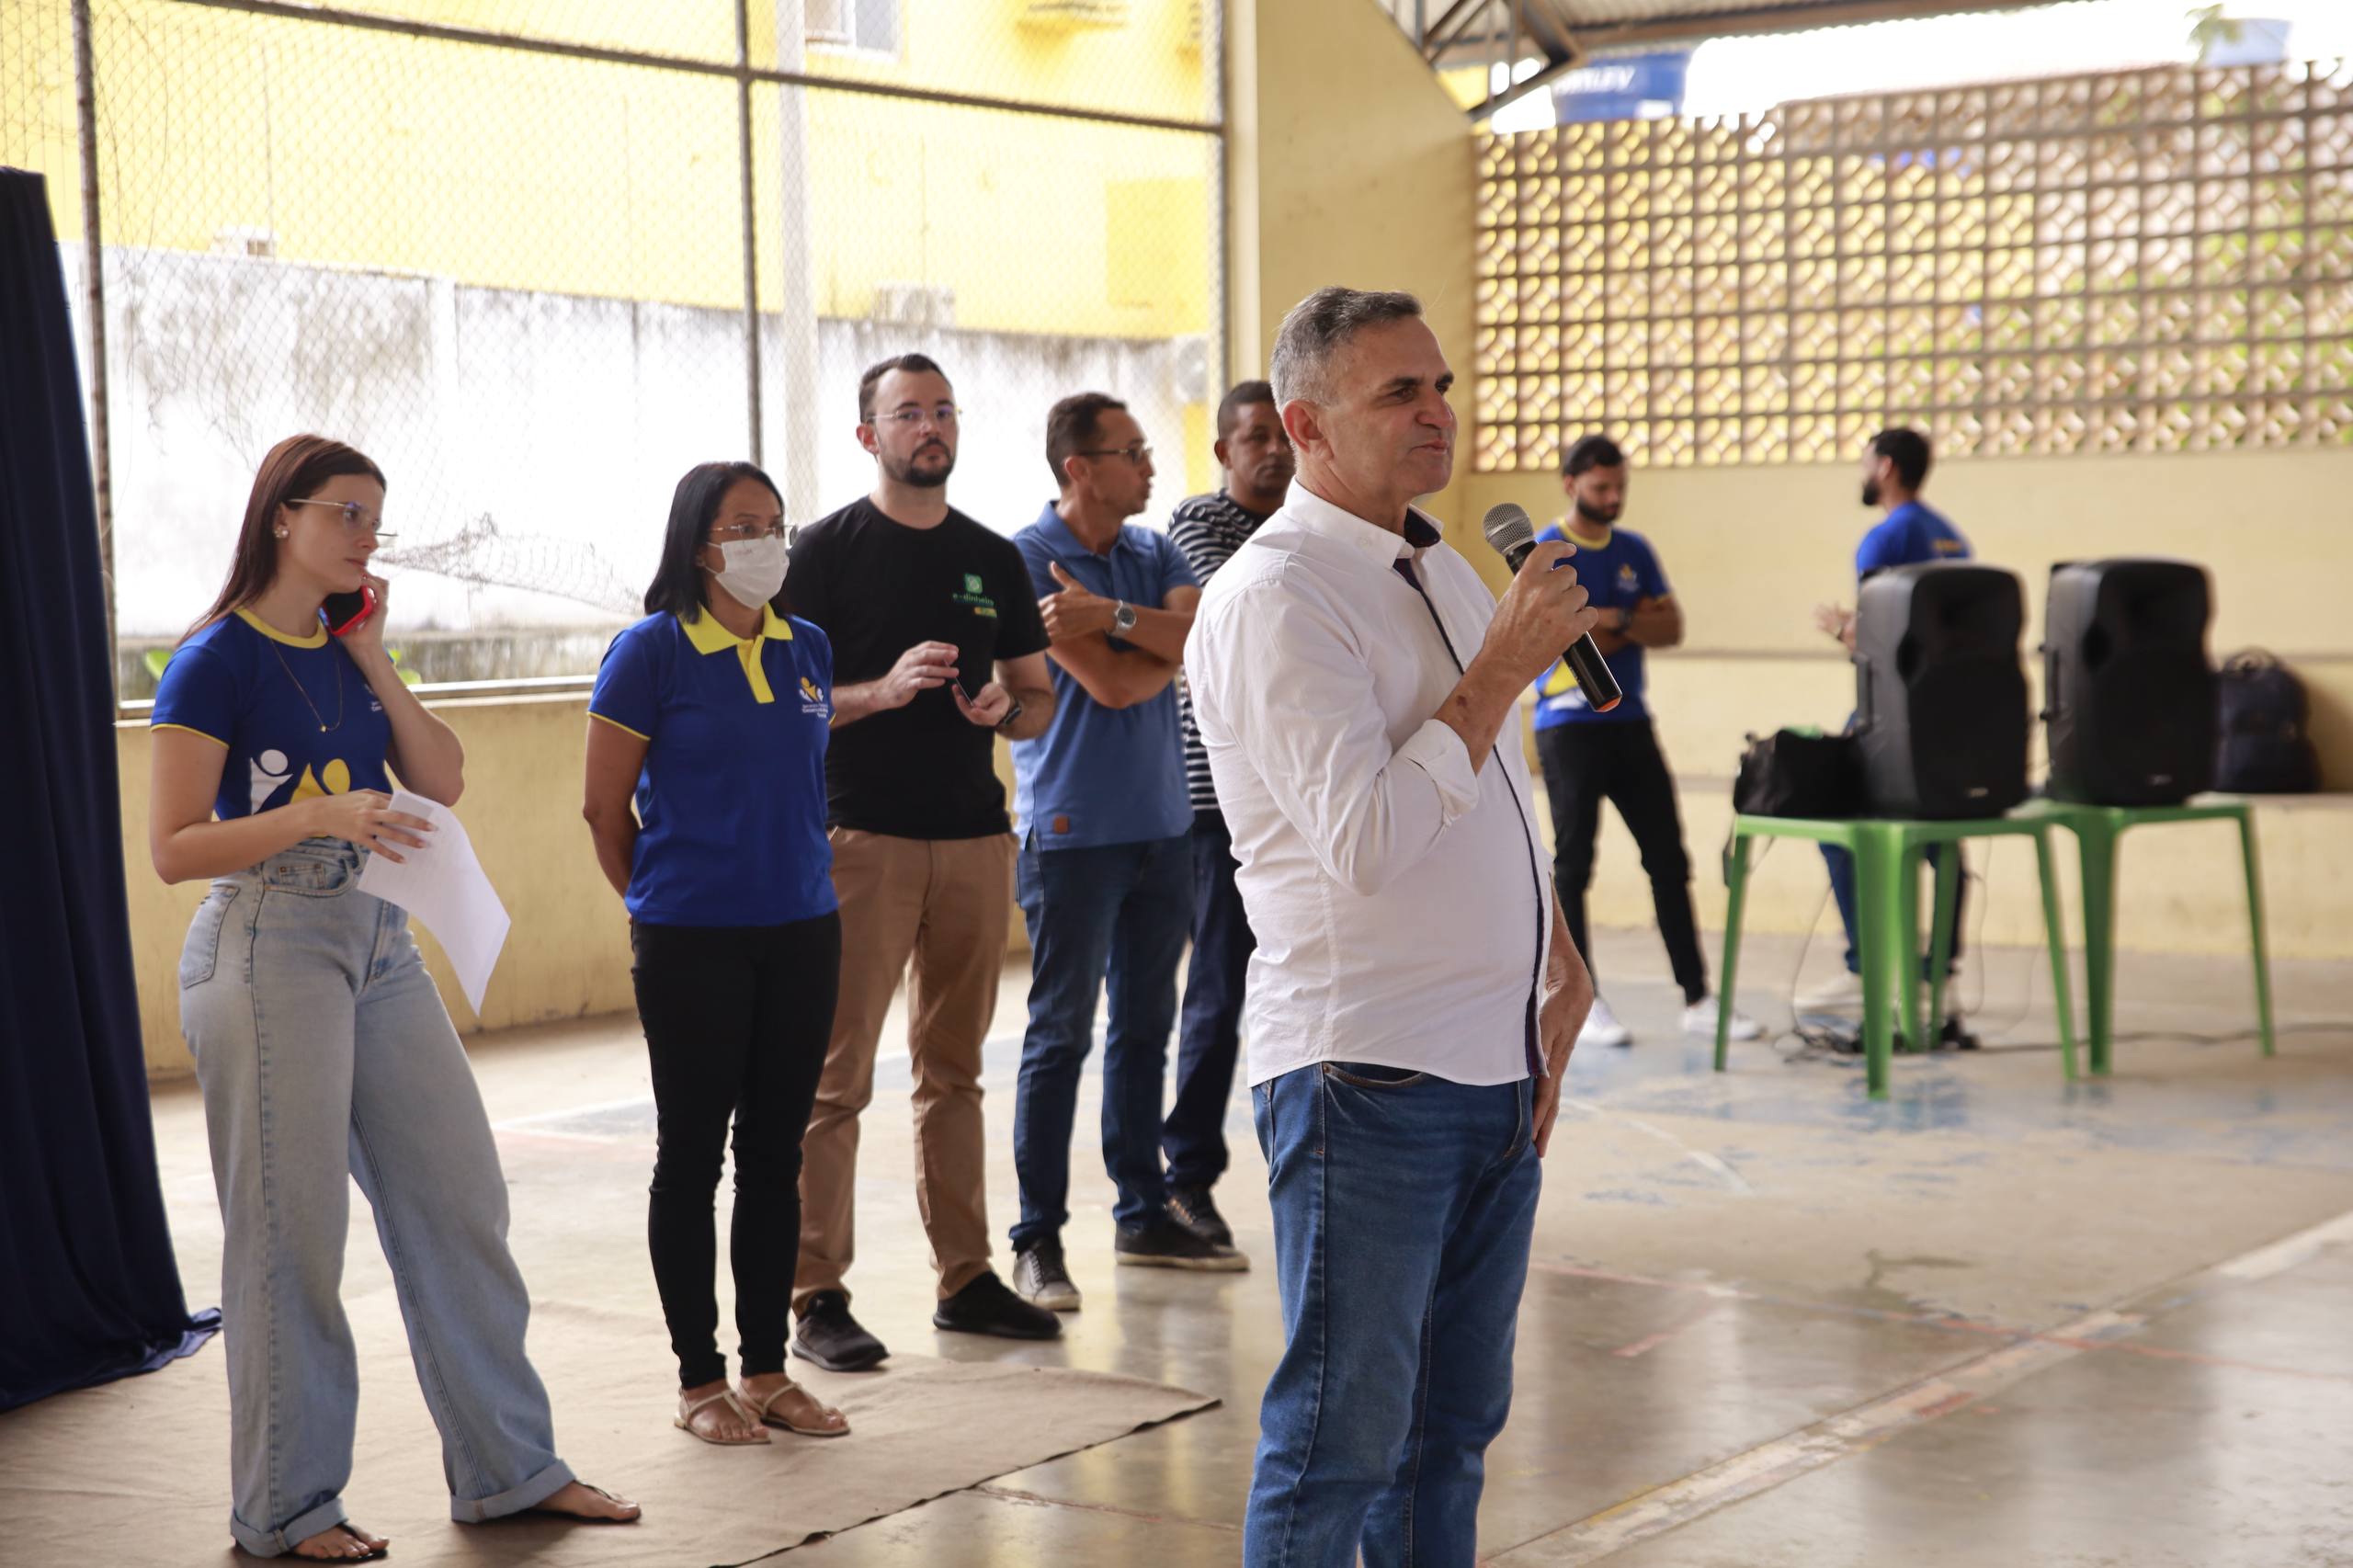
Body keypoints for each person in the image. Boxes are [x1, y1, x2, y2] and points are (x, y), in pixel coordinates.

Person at [152, 434, 638, 1562]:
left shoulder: (346, 646)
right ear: (282, 515)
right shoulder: (213, 659)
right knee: (292, 1235)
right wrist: (316, 815)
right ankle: (286, 1506)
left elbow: (443, 777)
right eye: (348, 513)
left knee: (460, 1196)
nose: (368, 536)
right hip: (267, 939)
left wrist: (373, 655)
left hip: (379, 937)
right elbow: (174, 846)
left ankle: (512, 1470)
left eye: (377, 518)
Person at [1186, 287, 1597, 1565]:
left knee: (1448, 1435)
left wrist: (1557, 955)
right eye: (1398, 393)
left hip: (1492, 1065)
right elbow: (1363, 838)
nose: (1437, 414)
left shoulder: (1450, 568)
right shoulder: (1275, 597)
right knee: (1339, 1444)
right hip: (1367, 1075)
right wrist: (1500, 670)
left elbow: (1498, 789)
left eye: (1440, 386)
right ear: (1305, 426)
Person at [781, 354, 1063, 1371]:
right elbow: (785, 699)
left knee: (955, 1072)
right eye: (908, 413)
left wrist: (1004, 708)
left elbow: (1039, 698)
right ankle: (814, 1293)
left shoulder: (992, 555)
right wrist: (882, 690)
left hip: (975, 839)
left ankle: (967, 1278)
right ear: (869, 435)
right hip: (861, 840)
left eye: (943, 410)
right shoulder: (823, 552)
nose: (930, 426)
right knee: (835, 1076)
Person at [583, 461, 847, 1447]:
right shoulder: (648, 651)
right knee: (691, 1154)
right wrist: (661, 905)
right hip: (691, 937)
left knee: (775, 1155)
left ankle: (767, 1370)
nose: (766, 542)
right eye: (744, 526)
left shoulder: (806, 646)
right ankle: (699, 1378)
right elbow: (604, 809)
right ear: (700, 543)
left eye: (776, 524)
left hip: (803, 928)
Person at [1006, 391, 1242, 1313]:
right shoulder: (1028, 557)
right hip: (1073, 835)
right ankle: (1037, 1238)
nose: (1148, 467)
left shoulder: (1153, 549)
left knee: (1145, 1031)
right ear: (1079, 468)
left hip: (1163, 826)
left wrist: (1106, 612)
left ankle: (1142, 1213)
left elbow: (1206, 636)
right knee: (1060, 1034)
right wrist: (1150, 638)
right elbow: (1107, 685)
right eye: (1130, 452)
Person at [1529, 434, 1760, 1050]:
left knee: (1668, 860)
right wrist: (1624, 622)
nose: (1613, 497)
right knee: (1574, 865)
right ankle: (1583, 1001)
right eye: (1601, 487)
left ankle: (1697, 998)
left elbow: (1671, 626)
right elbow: (1563, 642)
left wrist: (1613, 618)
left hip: (1631, 723)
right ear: (1571, 484)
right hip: (1570, 726)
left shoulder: (1635, 550)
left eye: (1620, 487)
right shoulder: (1546, 552)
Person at [1161, 378, 1294, 1249]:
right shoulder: (1200, 524)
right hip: (1221, 803)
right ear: (1223, 451)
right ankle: (1186, 1177)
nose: (1274, 451)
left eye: (1285, 436)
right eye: (1255, 438)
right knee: (1218, 989)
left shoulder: (1310, 526)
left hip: (1307, 793)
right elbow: (1245, 618)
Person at [1802, 426, 1973, 1022]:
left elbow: (1881, 642)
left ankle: (1865, 969)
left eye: (1866, 461)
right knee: (1941, 840)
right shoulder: (1952, 537)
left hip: (1895, 714)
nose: (1862, 471)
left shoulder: (1884, 540)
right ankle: (1937, 979)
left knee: (1832, 823)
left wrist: (1841, 628)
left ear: (1887, 468)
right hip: (1952, 712)